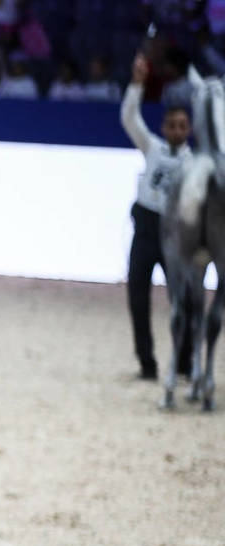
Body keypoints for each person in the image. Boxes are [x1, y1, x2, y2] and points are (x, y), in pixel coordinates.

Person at [122, 52, 194, 380]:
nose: (177, 131)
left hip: (175, 233)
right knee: (138, 296)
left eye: (182, 126)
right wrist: (137, 84)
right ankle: (146, 364)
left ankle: (184, 362)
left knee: (183, 301)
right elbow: (129, 118)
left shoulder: (194, 162)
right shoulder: (152, 147)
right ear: (164, 127)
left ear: (189, 130)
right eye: (172, 125)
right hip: (146, 228)